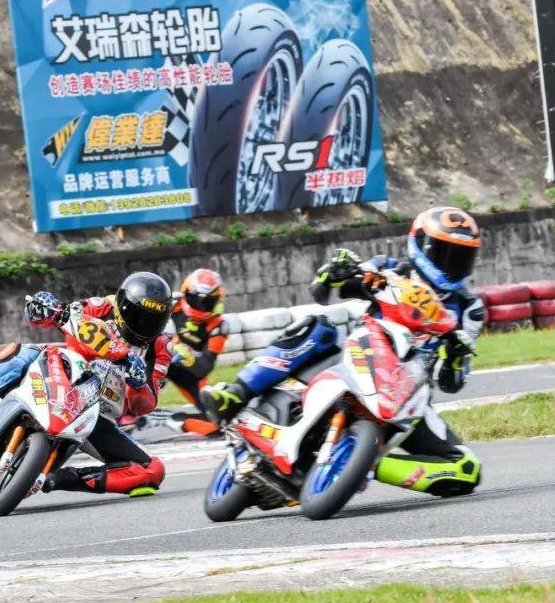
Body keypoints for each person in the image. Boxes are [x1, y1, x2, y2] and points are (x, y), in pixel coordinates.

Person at [202, 206, 486, 497]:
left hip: (406, 393)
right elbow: (328, 290)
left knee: (467, 468)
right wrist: (335, 270)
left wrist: (454, 356)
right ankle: (235, 393)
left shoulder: (470, 309)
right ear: (420, 245)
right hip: (361, 358)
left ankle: (369, 465)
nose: (453, 264)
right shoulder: (389, 269)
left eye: (462, 257)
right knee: (318, 328)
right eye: (445, 253)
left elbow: (451, 383)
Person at [0, 272, 172, 497]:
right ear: (123, 307)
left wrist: (138, 383)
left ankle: (59, 479)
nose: (146, 326)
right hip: (61, 375)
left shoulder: (160, 348)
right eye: (140, 316)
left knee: (152, 470)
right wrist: (44, 307)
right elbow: (52, 316)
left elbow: (144, 406)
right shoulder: (101, 307)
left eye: (154, 320)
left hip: (94, 415)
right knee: (23, 351)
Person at [165, 269, 230, 436]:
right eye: (198, 300)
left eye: (208, 302)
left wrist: (186, 356)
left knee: (219, 424)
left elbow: (206, 365)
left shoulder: (219, 325)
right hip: (161, 356)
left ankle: (175, 421)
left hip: (191, 372)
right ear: (187, 294)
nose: (202, 306)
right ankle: (126, 413)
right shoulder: (171, 303)